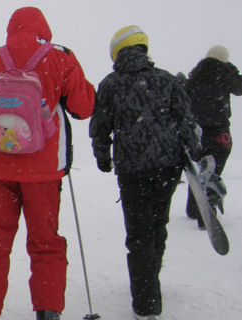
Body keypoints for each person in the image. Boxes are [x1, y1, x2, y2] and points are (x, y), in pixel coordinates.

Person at [0, 7, 95, 320]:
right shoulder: (61, 57)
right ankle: (48, 312)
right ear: (44, 28)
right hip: (43, 170)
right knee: (45, 244)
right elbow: (83, 107)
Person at [90, 26, 202, 320]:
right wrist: (194, 152)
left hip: (132, 169)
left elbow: (100, 126)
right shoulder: (166, 80)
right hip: (167, 165)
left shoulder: (111, 84)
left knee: (138, 233)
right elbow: (186, 121)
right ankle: (151, 276)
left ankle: (146, 301)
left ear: (116, 51)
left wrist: (103, 156)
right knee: (157, 224)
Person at [184, 44, 242, 228]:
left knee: (200, 169)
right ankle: (207, 212)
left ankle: (193, 209)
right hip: (219, 131)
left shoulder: (196, 73)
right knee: (213, 171)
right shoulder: (225, 73)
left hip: (198, 131)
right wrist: (231, 69)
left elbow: (185, 94)